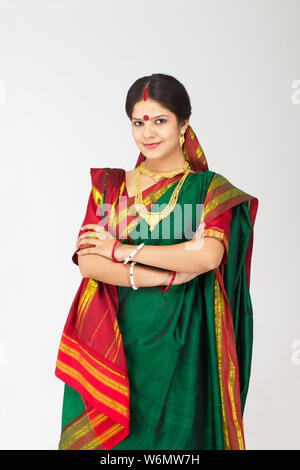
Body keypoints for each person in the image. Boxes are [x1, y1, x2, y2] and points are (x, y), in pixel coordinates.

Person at [55, 73, 259, 450]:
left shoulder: (208, 189)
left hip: (184, 342)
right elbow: (89, 264)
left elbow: (209, 255)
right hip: (118, 341)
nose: (148, 133)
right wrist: (172, 274)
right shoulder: (110, 187)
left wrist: (120, 250)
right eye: (138, 122)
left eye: (160, 120)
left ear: (183, 124)